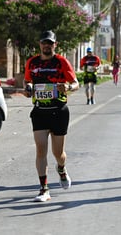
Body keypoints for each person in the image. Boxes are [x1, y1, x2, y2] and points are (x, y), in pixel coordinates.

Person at [24, 30, 79, 202]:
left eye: (50, 43)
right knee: (41, 150)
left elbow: (76, 83)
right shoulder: (32, 62)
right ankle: (44, 189)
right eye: (44, 42)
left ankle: (61, 169)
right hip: (40, 111)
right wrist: (28, 88)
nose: (46, 46)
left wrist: (68, 88)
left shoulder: (62, 62)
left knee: (58, 153)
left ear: (55, 44)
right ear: (40, 44)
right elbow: (27, 81)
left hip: (58, 111)